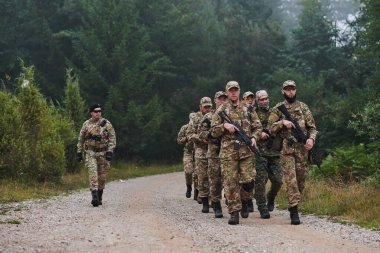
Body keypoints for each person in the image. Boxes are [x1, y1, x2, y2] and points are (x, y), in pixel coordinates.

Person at [211, 81, 262, 225]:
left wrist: (254, 138)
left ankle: (245, 200)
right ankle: (234, 212)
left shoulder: (248, 108)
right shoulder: (221, 110)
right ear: (227, 92)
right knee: (230, 182)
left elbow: (258, 127)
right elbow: (213, 131)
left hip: (246, 151)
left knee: (248, 181)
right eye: (231, 90)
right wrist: (224, 126)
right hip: (228, 152)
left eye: (236, 90)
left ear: (239, 91)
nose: (233, 92)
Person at [268, 80, 317, 225]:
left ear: (295, 90)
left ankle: (294, 203)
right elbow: (269, 128)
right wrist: (281, 123)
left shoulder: (303, 107)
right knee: (291, 181)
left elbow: (313, 128)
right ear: (283, 91)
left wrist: (311, 140)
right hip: (286, 150)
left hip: (302, 151)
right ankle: (293, 211)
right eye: (287, 89)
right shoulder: (278, 109)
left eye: (292, 89)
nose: (290, 92)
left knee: (301, 182)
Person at [77, 103, 116, 207]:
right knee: (93, 173)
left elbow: (112, 137)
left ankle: (99, 196)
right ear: (91, 113)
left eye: (100, 111)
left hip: (103, 153)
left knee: (102, 177)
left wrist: (110, 151)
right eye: (96, 111)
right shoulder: (86, 124)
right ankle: (94, 197)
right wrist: (79, 153)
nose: (98, 113)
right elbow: (81, 139)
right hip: (91, 152)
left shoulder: (106, 123)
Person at [253, 90, 283, 219]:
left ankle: (271, 197)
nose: (264, 101)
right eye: (261, 99)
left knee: (278, 181)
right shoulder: (252, 113)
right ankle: (262, 208)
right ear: (257, 100)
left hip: (274, 152)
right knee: (260, 182)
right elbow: (248, 129)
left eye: (266, 98)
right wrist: (260, 134)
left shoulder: (275, 112)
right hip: (259, 153)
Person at [198, 91, 227, 218]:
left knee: (230, 179)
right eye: (219, 99)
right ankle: (215, 203)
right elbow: (201, 133)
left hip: (229, 152)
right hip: (214, 152)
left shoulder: (230, 114)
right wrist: (210, 136)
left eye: (224, 99)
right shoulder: (209, 117)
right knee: (215, 180)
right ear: (215, 101)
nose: (222, 101)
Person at [188, 97, 213, 213]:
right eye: (205, 107)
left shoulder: (214, 116)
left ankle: (213, 198)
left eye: (209, 107)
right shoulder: (195, 118)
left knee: (214, 176)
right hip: (200, 150)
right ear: (200, 107)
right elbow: (190, 134)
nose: (208, 109)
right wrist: (202, 139)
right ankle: (204, 200)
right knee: (202, 177)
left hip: (213, 150)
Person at [241, 90, 256, 213]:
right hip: (237, 148)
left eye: (251, 98)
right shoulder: (240, 111)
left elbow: (257, 127)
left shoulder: (253, 112)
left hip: (252, 148)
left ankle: (248, 200)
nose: (250, 100)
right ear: (243, 100)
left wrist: (254, 137)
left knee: (250, 177)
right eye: (247, 98)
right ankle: (242, 201)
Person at [177, 114, 196, 198]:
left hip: (197, 152)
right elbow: (179, 140)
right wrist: (186, 138)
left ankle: (198, 191)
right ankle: (189, 186)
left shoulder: (198, 127)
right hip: (188, 152)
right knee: (188, 171)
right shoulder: (184, 128)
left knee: (198, 173)